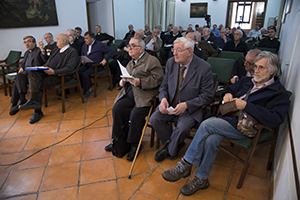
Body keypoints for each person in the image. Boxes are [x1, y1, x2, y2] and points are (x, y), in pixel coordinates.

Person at [161, 51, 290, 196]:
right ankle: (201, 179)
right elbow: (228, 90)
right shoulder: (247, 81)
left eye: (261, 68)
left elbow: (276, 119)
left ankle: (185, 164)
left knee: (206, 125)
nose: (256, 71)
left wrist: (246, 106)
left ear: (272, 71)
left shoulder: (278, 93)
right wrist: (227, 94)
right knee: (210, 140)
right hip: (228, 118)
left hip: (246, 127)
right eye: (256, 66)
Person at [149, 37, 214, 162]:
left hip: (190, 109)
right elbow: (164, 86)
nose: (174, 53)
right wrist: (163, 99)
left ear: (189, 52)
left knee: (182, 128)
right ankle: (173, 144)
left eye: (178, 50)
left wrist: (187, 105)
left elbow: (207, 95)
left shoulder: (204, 68)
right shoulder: (171, 62)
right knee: (154, 118)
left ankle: (170, 150)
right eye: (174, 49)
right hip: (171, 104)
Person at [104, 37, 164, 161]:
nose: (129, 48)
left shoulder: (152, 61)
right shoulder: (132, 61)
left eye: (132, 46)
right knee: (117, 109)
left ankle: (134, 144)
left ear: (140, 49)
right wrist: (123, 80)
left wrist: (140, 81)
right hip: (131, 92)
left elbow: (158, 79)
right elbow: (128, 75)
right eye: (129, 46)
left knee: (135, 114)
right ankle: (118, 140)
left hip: (145, 94)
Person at [19, 34, 79, 124]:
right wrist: (42, 67)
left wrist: (54, 72)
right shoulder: (56, 50)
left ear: (64, 41)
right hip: (47, 72)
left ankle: (37, 110)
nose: (56, 41)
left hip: (58, 76)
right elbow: (48, 61)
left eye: (58, 39)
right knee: (33, 72)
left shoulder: (72, 52)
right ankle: (33, 102)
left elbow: (70, 68)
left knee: (37, 84)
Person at [9, 36, 47, 116]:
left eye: (29, 41)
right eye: (25, 42)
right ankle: (22, 99)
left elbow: (45, 60)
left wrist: (42, 49)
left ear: (34, 43)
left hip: (35, 74)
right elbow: (22, 64)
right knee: (19, 76)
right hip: (26, 74)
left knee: (17, 82)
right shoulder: (27, 53)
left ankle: (15, 103)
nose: (27, 44)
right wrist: (21, 68)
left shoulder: (38, 51)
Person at [79, 31, 114, 98]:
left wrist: (105, 59)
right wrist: (82, 60)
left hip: (96, 65)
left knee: (85, 74)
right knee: (79, 72)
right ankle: (85, 87)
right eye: (84, 38)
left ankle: (89, 90)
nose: (85, 40)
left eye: (86, 38)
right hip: (87, 64)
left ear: (92, 39)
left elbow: (111, 51)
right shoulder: (85, 44)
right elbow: (82, 55)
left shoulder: (99, 45)